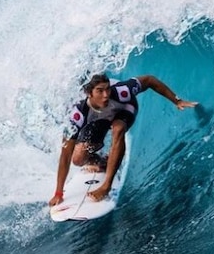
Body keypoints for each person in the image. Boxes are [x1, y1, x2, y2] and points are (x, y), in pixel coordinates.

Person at [49, 73, 198, 206]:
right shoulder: (79, 114)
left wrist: (177, 101)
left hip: (124, 109)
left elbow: (149, 80)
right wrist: (58, 193)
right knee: (78, 159)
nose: (106, 94)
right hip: (99, 119)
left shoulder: (122, 92)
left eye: (107, 89)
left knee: (118, 129)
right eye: (100, 91)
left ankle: (106, 186)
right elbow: (66, 155)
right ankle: (102, 161)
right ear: (89, 93)